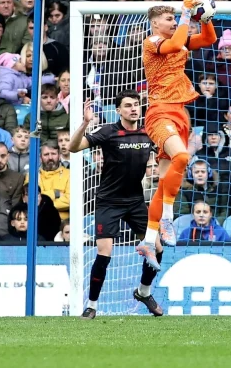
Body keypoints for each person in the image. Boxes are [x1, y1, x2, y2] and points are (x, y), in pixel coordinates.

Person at [136, 0, 217, 268]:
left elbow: (209, 39)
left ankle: (148, 241)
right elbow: (174, 44)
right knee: (183, 158)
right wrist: (185, 13)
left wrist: (204, 18)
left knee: (165, 181)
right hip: (159, 111)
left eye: (174, 19)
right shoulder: (153, 41)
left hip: (180, 113)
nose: (173, 23)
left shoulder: (179, 40)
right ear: (156, 23)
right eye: (169, 19)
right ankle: (167, 218)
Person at [68, 89, 162, 318]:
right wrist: (84, 123)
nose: (133, 108)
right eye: (128, 105)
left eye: (136, 104)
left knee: (157, 248)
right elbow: (73, 147)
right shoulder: (108, 132)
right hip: (109, 201)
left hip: (135, 201)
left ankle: (143, 291)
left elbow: (167, 153)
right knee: (105, 253)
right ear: (118, 110)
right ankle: (91, 305)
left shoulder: (148, 132)